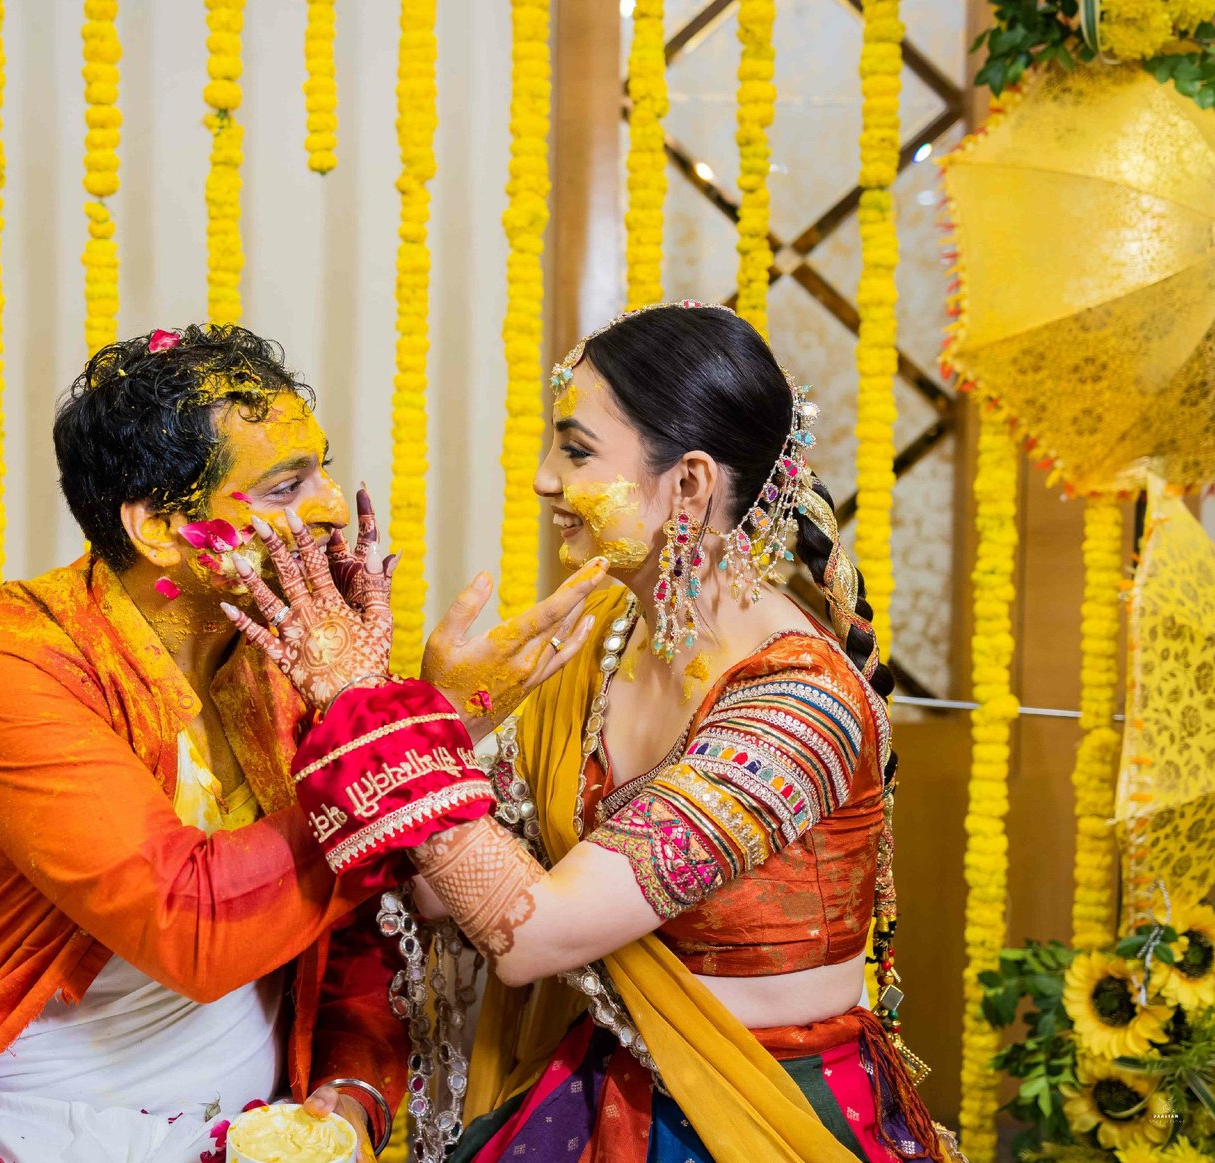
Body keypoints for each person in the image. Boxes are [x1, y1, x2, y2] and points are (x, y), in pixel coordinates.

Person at [225, 303, 957, 1162]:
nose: (543, 478)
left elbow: (534, 931)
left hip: (755, 1110)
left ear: (689, 484)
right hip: (605, 1078)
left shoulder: (798, 705)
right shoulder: (608, 637)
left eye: (575, 451)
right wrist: (439, 715)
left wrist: (373, 711)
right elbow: (446, 888)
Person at [0, 324, 406, 1163]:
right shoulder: (12, 660)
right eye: (285, 486)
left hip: (253, 1121)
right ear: (160, 526)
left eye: (324, 469)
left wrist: (353, 1093)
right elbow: (193, 931)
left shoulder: (291, 656)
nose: (334, 505)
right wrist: (417, 735)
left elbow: (361, 917)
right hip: (10, 1125)